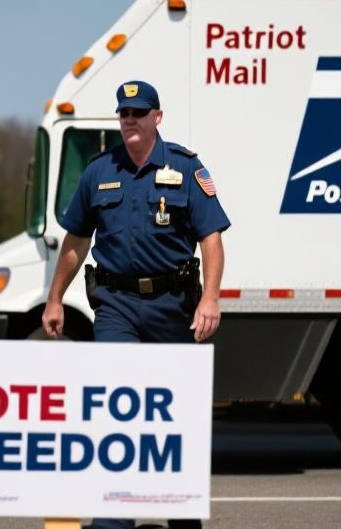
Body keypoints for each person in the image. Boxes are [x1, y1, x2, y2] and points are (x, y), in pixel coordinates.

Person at [42, 80, 231, 529]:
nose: (129, 119)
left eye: (139, 112)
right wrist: (55, 299)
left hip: (172, 308)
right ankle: (112, 522)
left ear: (157, 118)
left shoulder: (186, 168)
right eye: (124, 112)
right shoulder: (99, 171)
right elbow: (75, 241)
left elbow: (212, 238)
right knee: (116, 411)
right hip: (116, 307)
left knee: (173, 421)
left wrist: (210, 297)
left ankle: (181, 517)